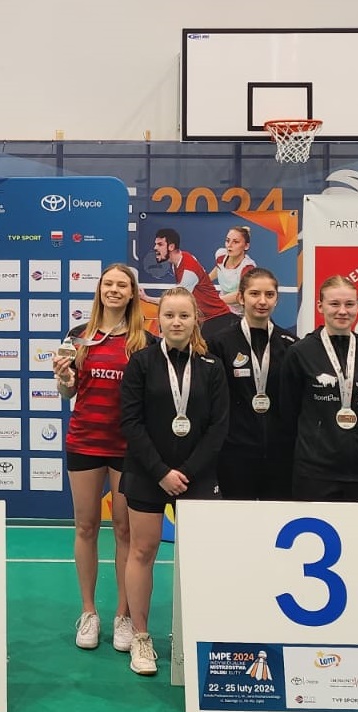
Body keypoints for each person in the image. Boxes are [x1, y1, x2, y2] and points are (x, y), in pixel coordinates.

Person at [118, 286, 228, 675]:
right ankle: (141, 637)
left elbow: (218, 427)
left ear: (197, 319)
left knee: (199, 556)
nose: (176, 322)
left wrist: (188, 472)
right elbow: (130, 422)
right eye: (169, 315)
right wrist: (161, 472)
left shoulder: (212, 367)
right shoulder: (141, 363)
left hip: (197, 476)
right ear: (158, 320)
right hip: (148, 472)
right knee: (142, 551)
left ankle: (193, 635)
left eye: (184, 315)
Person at [52, 263, 151, 652]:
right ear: (99, 290)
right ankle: (89, 612)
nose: (114, 290)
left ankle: (123, 615)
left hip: (129, 447)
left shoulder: (144, 339)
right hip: (85, 441)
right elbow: (68, 392)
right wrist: (64, 380)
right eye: (108, 283)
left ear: (132, 293)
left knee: (125, 531)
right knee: (86, 527)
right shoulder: (79, 336)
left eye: (122, 285)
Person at [279, 276, 358, 502]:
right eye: (334, 304)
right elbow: (289, 414)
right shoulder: (300, 353)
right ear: (320, 306)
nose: (342, 311)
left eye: (349, 304)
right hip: (314, 473)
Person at [206, 268, 298, 500]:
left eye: (269, 294)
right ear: (240, 297)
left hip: (280, 457)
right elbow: (212, 402)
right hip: (234, 455)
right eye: (255, 293)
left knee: (276, 519)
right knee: (237, 520)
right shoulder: (219, 343)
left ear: (277, 299)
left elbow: (295, 402)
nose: (262, 301)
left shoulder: (291, 345)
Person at [144, 227, 232, 322]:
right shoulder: (181, 258)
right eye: (156, 244)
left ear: (171, 247)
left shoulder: (188, 271)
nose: (155, 248)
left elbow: (174, 301)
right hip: (205, 318)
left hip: (217, 318)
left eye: (160, 244)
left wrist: (146, 298)